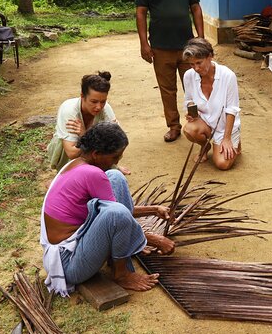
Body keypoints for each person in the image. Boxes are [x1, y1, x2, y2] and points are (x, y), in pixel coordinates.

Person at [40, 122, 175, 295]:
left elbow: (120, 210)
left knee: (115, 176)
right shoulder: (93, 174)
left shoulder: (76, 164)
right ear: (96, 154)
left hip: (75, 245)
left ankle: (116, 256)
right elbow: (118, 215)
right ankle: (122, 273)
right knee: (115, 212)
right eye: (114, 157)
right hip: (69, 265)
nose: (117, 161)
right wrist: (154, 240)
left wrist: (154, 210)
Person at [135, 0, 204, 143]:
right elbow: (140, 13)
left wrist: (200, 38)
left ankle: (198, 122)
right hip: (160, 47)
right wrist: (144, 44)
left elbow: (196, 8)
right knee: (167, 89)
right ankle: (173, 126)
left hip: (187, 48)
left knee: (193, 87)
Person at [47, 71, 130, 175]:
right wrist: (88, 139)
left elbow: (118, 144)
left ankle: (108, 167)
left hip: (86, 147)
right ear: (82, 96)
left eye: (103, 101)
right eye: (94, 102)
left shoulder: (106, 109)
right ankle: (64, 175)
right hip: (67, 157)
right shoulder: (69, 110)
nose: (99, 107)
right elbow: (71, 153)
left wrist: (84, 135)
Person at [181, 38, 241, 170]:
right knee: (189, 129)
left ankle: (235, 139)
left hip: (225, 126)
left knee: (222, 164)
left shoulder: (228, 75)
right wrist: (191, 113)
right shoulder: (188, 76)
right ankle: (205, 146)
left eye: (199, 62)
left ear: (210, 56)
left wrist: (227, 138)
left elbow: (232, 109)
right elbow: (188, 100)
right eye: (191, 64)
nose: (196, 68)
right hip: (206, 122)